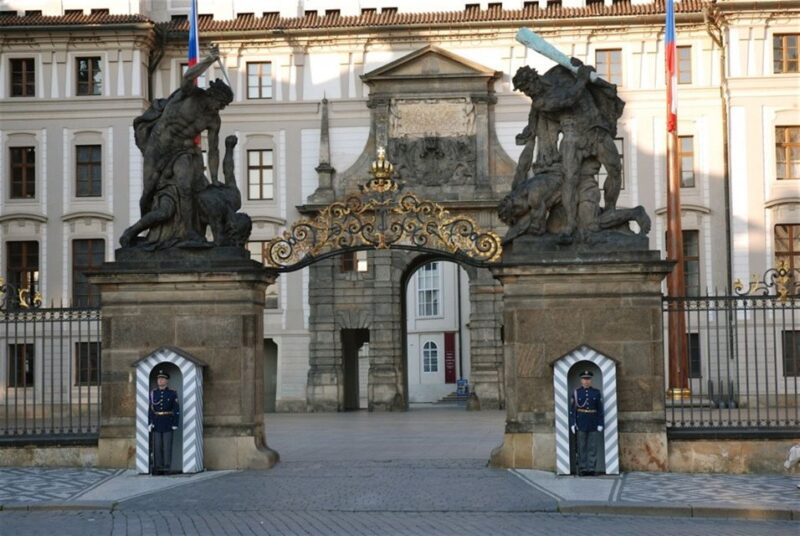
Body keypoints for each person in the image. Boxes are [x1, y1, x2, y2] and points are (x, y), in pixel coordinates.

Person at [120, 46, 234, 249]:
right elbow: (188, 75)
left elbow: (214, 150)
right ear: (212, 94)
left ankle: (190, 232)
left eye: (223, 106)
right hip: (159, 147)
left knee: (186, 186)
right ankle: (135, 231)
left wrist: (215, 178)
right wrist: (209, 60)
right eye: (220, 103)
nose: (220, 108)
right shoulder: (190, 94)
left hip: (184, 152)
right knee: (149, 192)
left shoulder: (213, 119)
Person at [512, 63, 624, 243]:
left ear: (534, 79)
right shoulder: (541, 101)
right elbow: (569, 99)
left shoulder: (557, 73)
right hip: (573, 135)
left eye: (526, 88)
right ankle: (570, 224)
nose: (527, 93)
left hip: (596, 128)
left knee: (615, 170)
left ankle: (610, 210)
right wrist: (582, 78)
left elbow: (575, 66)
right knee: (569, 179)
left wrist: (580, 66)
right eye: (524, 91)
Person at [569, 369, 604, 476]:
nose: (586, 381)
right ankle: (583, 469)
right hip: (581, 423)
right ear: (581, 380)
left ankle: (591, 469)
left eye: (588, 379)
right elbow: (572, 410)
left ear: (591, 380)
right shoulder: (576, 393)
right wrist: (572, 423)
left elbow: (600, 410)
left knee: (592, 447)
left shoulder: (596, 393)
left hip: (593, 423)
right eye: (584, 379)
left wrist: (600, 423)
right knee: (582, 447)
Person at [148, 369, 180, 475]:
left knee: (167, 446)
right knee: (157, 446)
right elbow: (150, 409)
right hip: (156, 422)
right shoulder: (153, 393)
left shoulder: (172, 393)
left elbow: (176, 409)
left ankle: (167, 467)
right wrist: (150, 422)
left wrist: (175, 423)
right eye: (159, 379)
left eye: (162, 379)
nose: (160, 381)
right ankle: (158, 467)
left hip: (168, 422)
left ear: (167, 381)